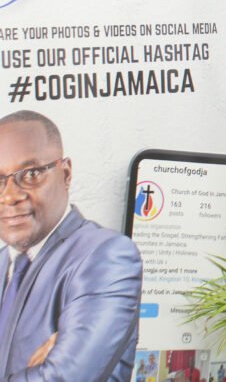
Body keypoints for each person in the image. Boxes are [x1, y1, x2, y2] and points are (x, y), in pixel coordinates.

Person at [0, 110, 143, 381]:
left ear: (65, 173)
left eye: (30, 174)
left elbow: (65, 376)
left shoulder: (106, 255)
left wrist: (55, 367)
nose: (10, 196)